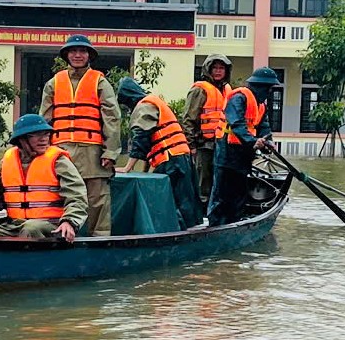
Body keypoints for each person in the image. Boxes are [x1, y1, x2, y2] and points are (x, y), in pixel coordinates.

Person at [39, 34, 119, 236]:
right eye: (73, 51)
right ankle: (57, 235)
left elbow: (112, 117)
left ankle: (100, 239)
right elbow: (44, 119)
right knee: (57, 194)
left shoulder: (100, 82)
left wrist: (110, 151)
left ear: (89, 55)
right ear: (66, 55)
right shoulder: (54, 83)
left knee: (97, 198)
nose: (77, 55)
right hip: (60, 150)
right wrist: (40, 150)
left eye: (82, 51)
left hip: (92, 151)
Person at [0, 114, 89, 241]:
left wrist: (69, 221)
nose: (44, 139)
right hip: (14, 225)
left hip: (51, 225)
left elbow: (77, 196)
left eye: (46, 134)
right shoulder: (6, 162)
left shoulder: (59, 161)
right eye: (37, 135)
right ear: (22, 140)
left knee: (31, 228)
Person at [113, 77, 204, 230]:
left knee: (172, 199)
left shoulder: (144, 106)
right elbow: (152, 140)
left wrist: (127, 167)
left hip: (171, 159)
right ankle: (191, 230)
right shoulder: (154, 101)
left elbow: (141, 138)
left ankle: (178, 234)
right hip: (181, 155)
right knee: (186, 198)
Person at [206, 66, 280, 227]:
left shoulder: (261, 106)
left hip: (243, 154)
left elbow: (264, 127)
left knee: (239, 191)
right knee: (221, 191)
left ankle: (234, 222)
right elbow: (236, 123)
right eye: (267, 88)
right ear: (259, 87)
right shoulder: (239, 98)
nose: (268, 92)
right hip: (226, 152)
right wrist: (253, 141)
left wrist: (269, 142)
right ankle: (215, 224)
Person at [183, 54, 232, 201]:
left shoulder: (227, 90)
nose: (218, 71)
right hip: (203, 145)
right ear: (208, 70)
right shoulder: (200, 90)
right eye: (215, 68)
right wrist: (191, 146)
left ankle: (216, 210)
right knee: (203, 181)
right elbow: (188, 119)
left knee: (220, 181)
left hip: (222, 144)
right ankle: (202, 212)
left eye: (221, 68)